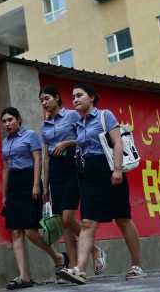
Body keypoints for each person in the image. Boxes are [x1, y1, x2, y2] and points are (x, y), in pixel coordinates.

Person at [58, 83, 147, 285]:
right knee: (88, 222)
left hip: (109, 170)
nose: (75, 100)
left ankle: (137, 265)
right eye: (73, 97)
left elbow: (116, 143)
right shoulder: (79, 125)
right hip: (90, 174)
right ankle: (80, 269)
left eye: (79, 95)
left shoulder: (104, 115)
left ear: (91, 97)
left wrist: (116, 170)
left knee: (123, 219)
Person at [39, 85, 107, 279]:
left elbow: (85, 137)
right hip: (55, 169)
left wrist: (66, 143)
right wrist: (46, 185)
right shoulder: (45, 124)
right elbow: (45, 156)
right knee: (63, 222)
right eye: (42, 100)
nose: (44, 103)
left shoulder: (71, 116)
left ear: (57, 98)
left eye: (47, 99)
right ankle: (77, 270)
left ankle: (95, 250)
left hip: (72, 166)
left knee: (68, 217)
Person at [0, 107, 68, 290]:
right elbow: (5, 169)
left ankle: (58, 257)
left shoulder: (30, 136)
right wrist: (4, 194)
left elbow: (37, 159)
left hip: (29, 180)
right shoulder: (5, 142)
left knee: (30, 231)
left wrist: (36, 185)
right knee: (15, 232)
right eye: (4, 121)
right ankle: (24, 276)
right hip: (13, 184)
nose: (7, 124)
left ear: (19, 119)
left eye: (10, 120)